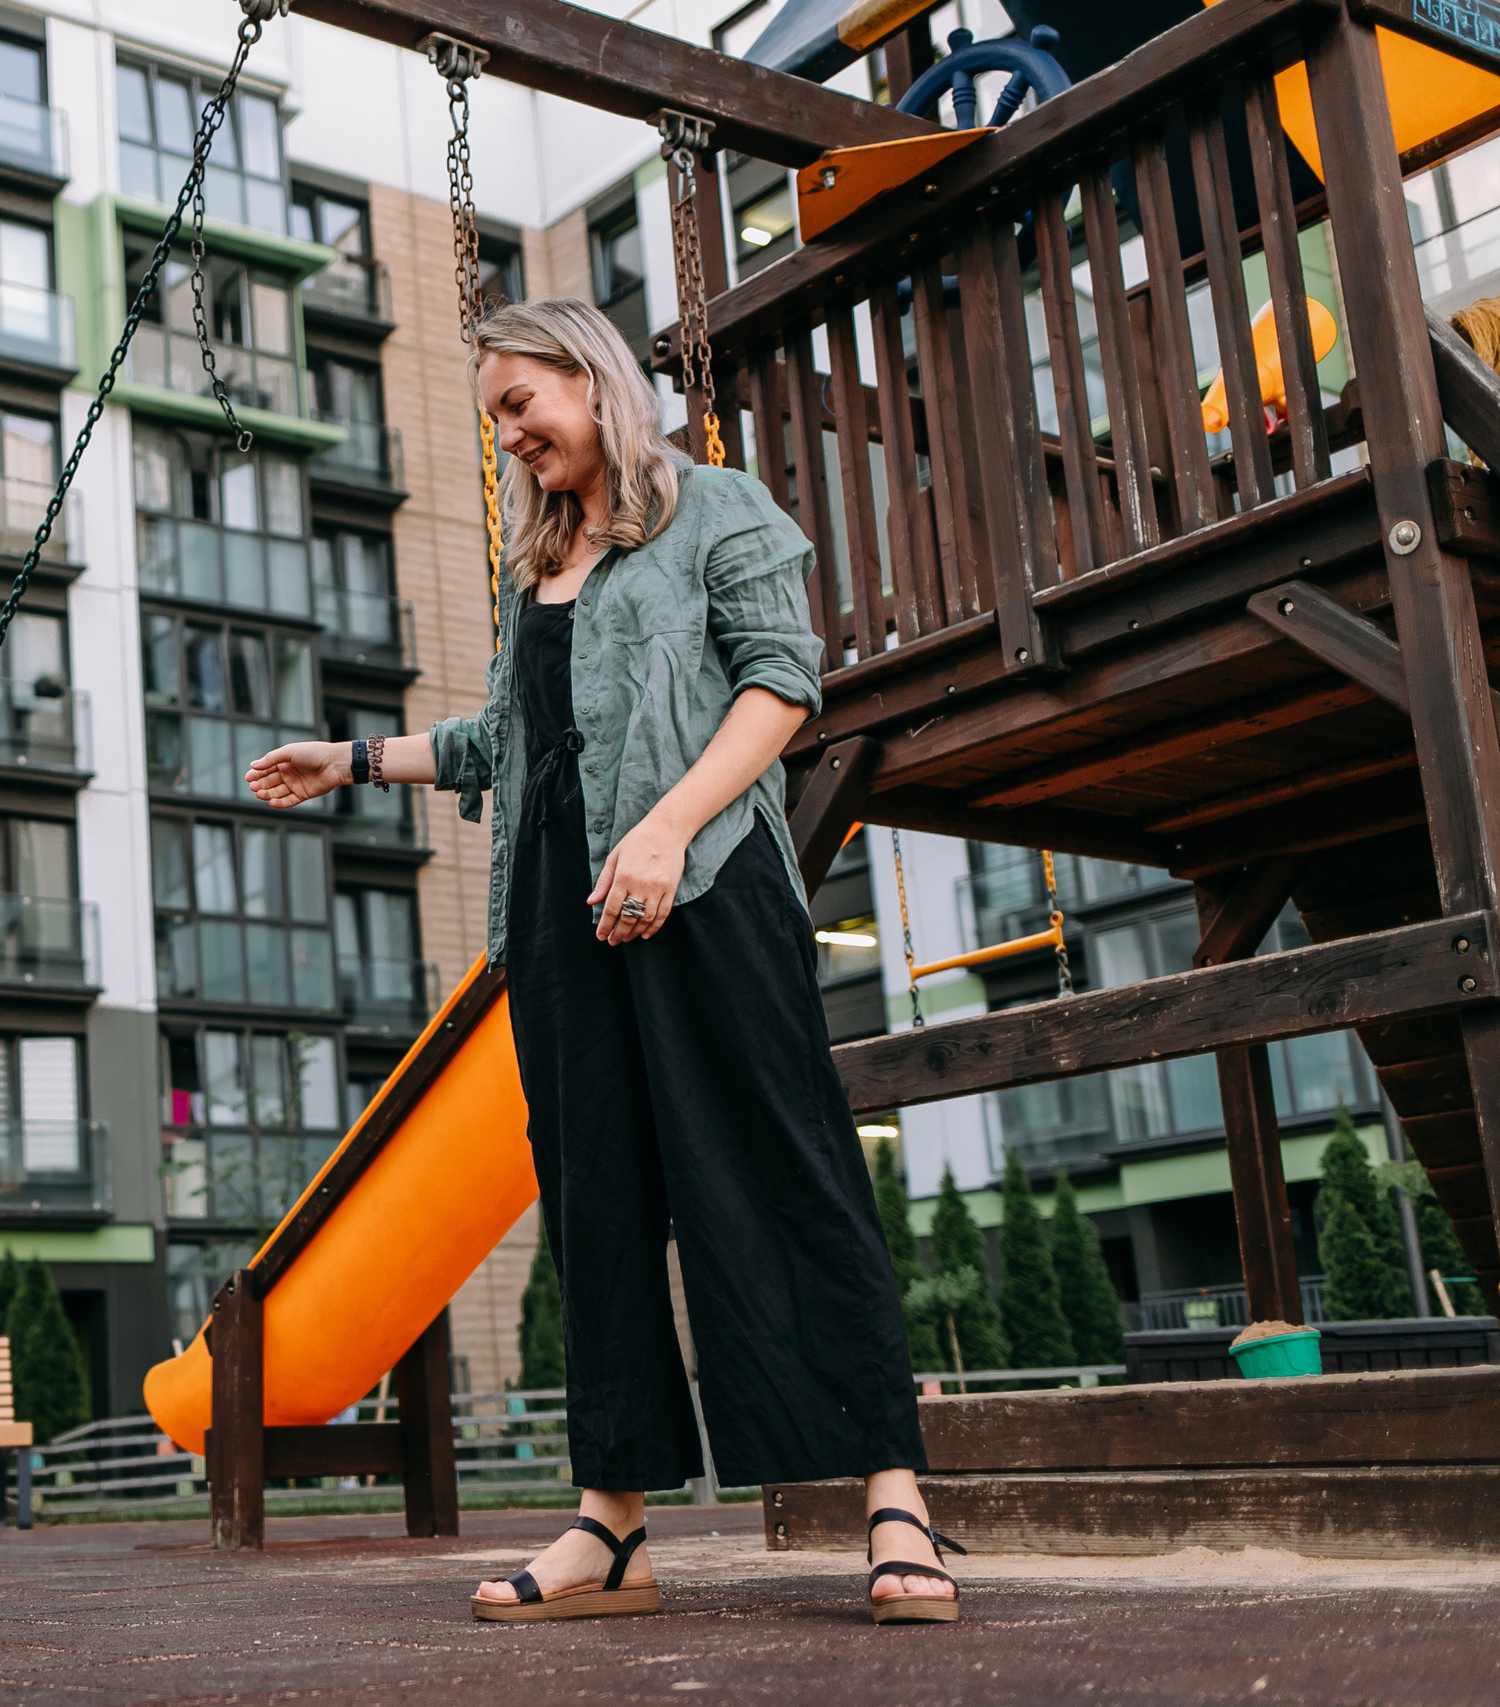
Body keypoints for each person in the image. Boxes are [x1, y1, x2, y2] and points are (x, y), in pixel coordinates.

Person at [245, 299, 958, 1627]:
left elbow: (783, 685)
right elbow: (507, 741)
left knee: (782, 1166)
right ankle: (612, 1522)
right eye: (496, 416)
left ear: (595, 376)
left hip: (709, 891)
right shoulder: (541, 565)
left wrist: (669, 827)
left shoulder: (715, 508)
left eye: (524, 402)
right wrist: (346, 758)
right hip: (558, 921)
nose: (510, 433)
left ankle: (892, 1491)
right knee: (597, 1209)